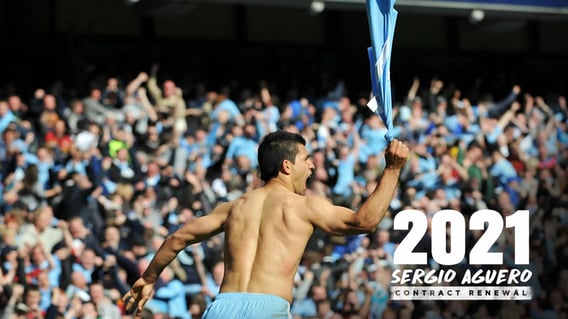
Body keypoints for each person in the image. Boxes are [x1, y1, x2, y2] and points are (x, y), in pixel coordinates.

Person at [122, 130, 409, 318]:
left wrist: (148, 278)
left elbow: (178, 238)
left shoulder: (235, 207)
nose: (311, 167)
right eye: (306, 160)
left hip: (221, 309)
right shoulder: (303, 206)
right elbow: (366, 221)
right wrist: (393, 169)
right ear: (287, 166)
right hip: (268, 308)